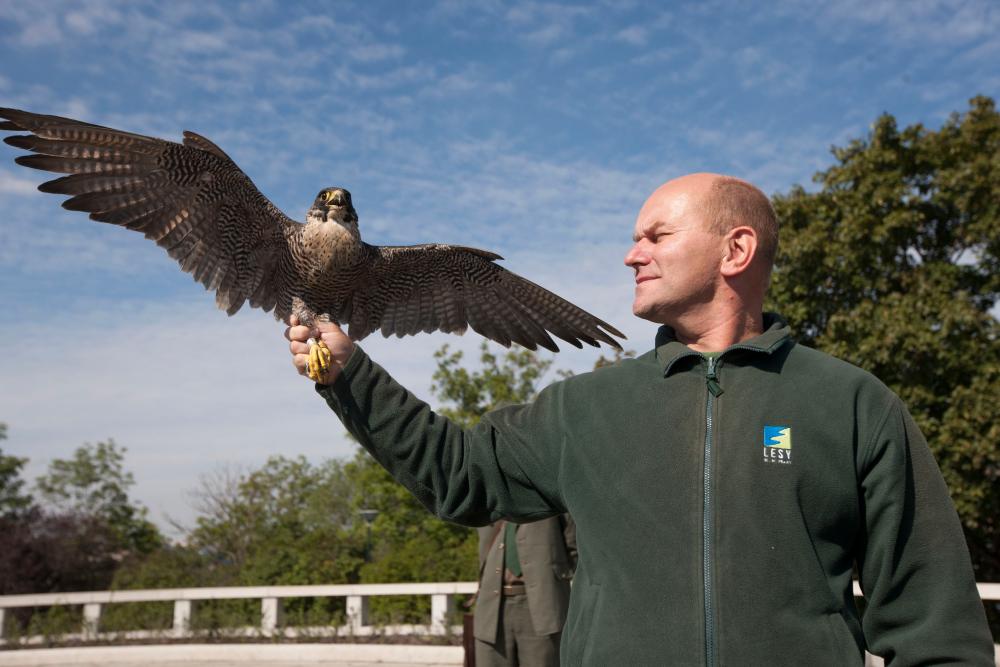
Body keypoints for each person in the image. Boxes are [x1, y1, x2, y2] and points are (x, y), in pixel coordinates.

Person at [286, 173, 994, 665]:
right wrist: (350, 373)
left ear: (736, 250)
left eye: (656, 235)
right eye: (634, 238)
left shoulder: (850, 405)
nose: (631, 253)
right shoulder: (584, 408)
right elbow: (459, 474)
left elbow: (936, 627)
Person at [473, 516, 576, 666]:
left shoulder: (553, 494)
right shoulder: (487, 495)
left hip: (543, 606)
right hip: (491, 608)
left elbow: (574, 548)